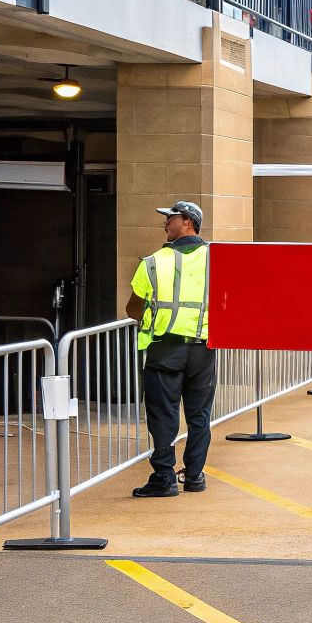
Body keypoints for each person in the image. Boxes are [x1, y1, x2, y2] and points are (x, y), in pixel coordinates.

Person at [126, 201, 216, 498]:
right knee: (199, 415)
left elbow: (133, 308)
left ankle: (164, 477)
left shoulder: (153, 262)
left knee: (163, 416)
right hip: (203, 349)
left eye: (171, 218)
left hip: (165, 349)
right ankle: (194, 476)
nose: (165, 223)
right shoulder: (216, 260)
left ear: (188, 222)